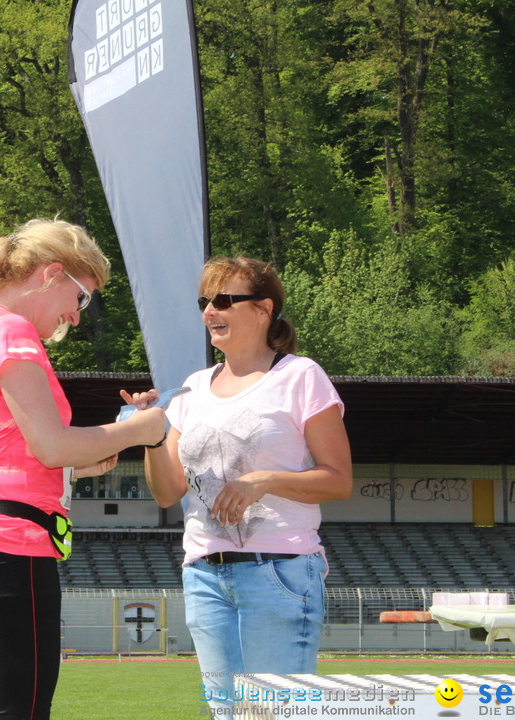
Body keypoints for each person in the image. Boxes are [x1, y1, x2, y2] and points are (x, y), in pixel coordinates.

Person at [0, 218, 167, 720]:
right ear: (52, 274)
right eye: (81, 298)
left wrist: (86, 459)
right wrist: (144, 429)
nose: (78, 317)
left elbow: (17, 453)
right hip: (9, 545)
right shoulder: (10, 330)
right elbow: (49, 444)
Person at [122, 256, 352, 710]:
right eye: (205, 301)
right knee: (227, 714)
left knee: (272, 715)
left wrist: (262, 481)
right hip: (204, 574)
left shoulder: (301, 376)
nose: (210, 310)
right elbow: (168, 493)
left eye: (225, 300)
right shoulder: (192, 388)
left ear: (264, 310)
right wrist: (152, 434)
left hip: (279, 571)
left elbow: (339, 480)